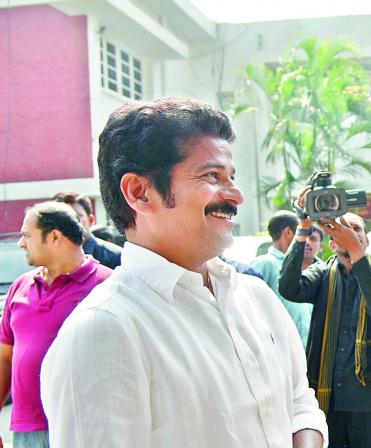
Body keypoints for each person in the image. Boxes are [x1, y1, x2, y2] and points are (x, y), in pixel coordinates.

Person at [40, 97, 326, 447]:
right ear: (139, 192)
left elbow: (299, 402)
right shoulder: (104, 332)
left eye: (231, 177)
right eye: (211, 176)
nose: (236, 195)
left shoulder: (257, 297)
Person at [279, 205, 371, 448]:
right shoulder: (322, 272)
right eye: (343, 231)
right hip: (328, 402)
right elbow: (289, 288)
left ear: (365, 240)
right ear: (332, 244)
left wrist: (355, 252)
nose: (350, 234)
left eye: (356, 230)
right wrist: (303, 228)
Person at [0, 202, 112, 448]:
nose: (21, 243)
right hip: (27, 429)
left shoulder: (107, 286)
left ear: (54, 237)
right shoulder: (19, 286)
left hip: (84, 428)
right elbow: (4, 358)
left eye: (27, 236)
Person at [252, 211, 313, 346]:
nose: (306, 240)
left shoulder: (298, 265)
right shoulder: (265, 263)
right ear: (289, 232)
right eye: (302, 232)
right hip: (279, 349)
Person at [52, 191, 122, 268]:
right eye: (61, 218)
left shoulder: (116, 258)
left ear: (90, 220)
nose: (67, 222)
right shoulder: (47, 257)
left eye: (76, 217)